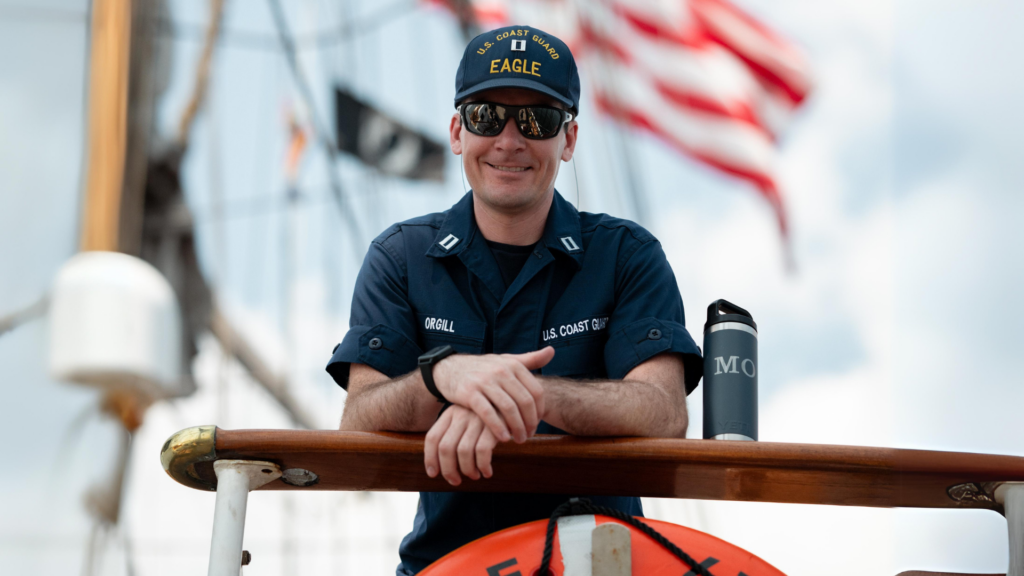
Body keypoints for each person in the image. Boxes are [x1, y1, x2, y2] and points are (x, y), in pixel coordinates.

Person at [326, 25, 704, 575]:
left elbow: (664, 412)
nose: (509, 139)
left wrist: (522, 397)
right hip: (446, 565)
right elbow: (358, 419)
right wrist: (443, 377)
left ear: (568, 141)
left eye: (537, 120)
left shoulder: (627, 255)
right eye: (486, 116)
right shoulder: (400, 256)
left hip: (602, 567)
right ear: (458, 132)